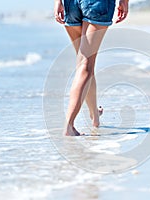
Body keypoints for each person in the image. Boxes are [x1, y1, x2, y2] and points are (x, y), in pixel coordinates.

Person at [54, 0, 129, 136]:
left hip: (71, 4)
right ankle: (69, 126)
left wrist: (58, 1)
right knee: (85, 65)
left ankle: (95, 116)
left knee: (84, 64)